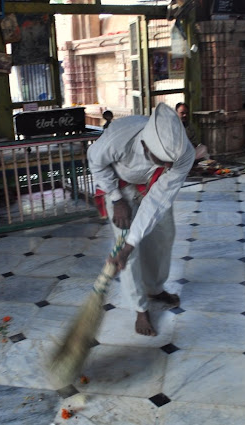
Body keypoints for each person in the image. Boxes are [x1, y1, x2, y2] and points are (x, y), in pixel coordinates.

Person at [88, 103, 195, 336]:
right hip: (120, 186)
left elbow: (157, 201)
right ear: (146, 146)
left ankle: (155, 289)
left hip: (153, 187)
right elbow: (95, 162)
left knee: (164, 236)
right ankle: (140, 307)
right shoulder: (119, 135)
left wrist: (130, 244)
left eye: (171, 162)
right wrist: (116, 199)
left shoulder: (184, 154)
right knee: (129, 256)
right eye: (162, 160)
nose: (168, 166)